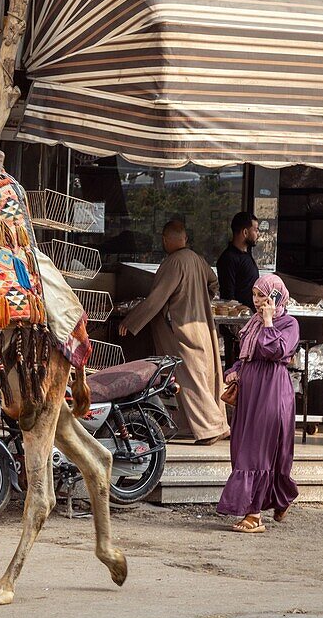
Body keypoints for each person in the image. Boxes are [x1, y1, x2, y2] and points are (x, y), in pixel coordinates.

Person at [118, 221, 229, 444]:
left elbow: (157, 299)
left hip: (181, 330)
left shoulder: (174, 262)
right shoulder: (197, 259)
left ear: (166, 240)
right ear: (185, 238)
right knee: (204, 375)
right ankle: (210, 425)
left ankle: (210, 428)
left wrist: (131, 321)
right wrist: (200, 301)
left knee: (189, 377)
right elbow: (213, 282)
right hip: (201, 326)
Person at [216, 274, 300, 533]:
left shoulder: (288, 323)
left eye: (263, 296)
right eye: (255, 295)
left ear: (276, 297)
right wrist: (235, 370)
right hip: (251, 394)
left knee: (256, 450)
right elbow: (248, 355)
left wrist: (268, 321)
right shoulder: (253, 323)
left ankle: (254, 515)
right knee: (242, 446)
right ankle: (279, 498)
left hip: (271, 394)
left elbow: (276, 351)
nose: (257, 301)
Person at [217, 212, 260, 308]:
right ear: (245, 232)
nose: (258, 234)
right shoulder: (228, 258)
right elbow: (228, 297)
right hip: (241, 319)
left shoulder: (246, 255)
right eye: (256, 230)